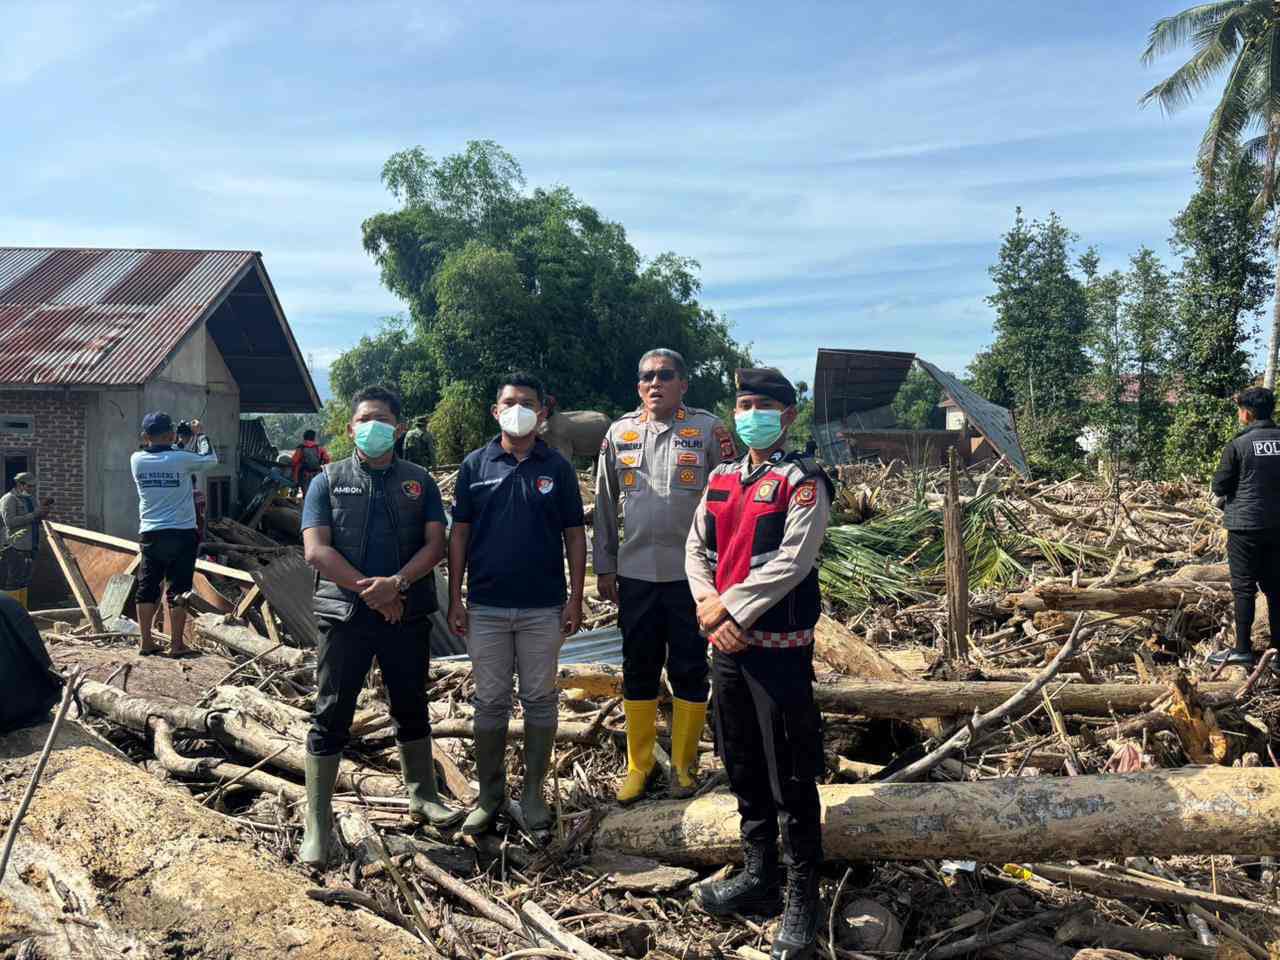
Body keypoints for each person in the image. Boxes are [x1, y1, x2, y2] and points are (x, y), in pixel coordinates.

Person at [685, 367, 833, 960]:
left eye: (762, 406)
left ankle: (802, 894)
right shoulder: (721, 477)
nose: (750, 415)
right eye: (743, 405)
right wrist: (708, 606)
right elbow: (696, 548)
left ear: (787, 416)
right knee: (741, 760)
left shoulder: (803, 480)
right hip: (726, 647)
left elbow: (793, 560)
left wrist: (731, 609)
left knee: (790, 773)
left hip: (779, 652)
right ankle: (758, 873)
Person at [299, 385, 456, 867]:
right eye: (365, 419)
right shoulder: (327, 481)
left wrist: (398, 584)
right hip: (345, 617)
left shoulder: (419, 481)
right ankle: (317, 823)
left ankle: (423, 796)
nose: (373, 427)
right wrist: (373, 591)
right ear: (350, 429)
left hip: (406, 612)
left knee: (411, 703)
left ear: (399, 428)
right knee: (332, 712)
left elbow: (436, 545)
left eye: (383, 419)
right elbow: (316, 550)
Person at [447, 372, 586, 834]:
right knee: (490, 703)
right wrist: (455, 597)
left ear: (542, 413)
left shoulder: (557, 467)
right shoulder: (475, 465)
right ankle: (490, 796)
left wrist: (575, 598)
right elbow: (459, 534)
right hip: (485, 606)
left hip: (543, 608)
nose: (518, 409)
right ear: (496, 411)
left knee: (540, 700)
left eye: (528, 402)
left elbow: (574, 535)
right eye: (510, 402)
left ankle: (533, 794)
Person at [594, 348, 734, 804]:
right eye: (647, 377)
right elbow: (604, 503)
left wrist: (725, 572)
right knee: (638, 668)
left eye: (665, 375)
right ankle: (639, 765)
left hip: (693, 577)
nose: (655, 383)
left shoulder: (710, 431)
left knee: (690, 667)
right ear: (639, 386)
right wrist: (605, 566)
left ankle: (684, 767)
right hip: (635, 574)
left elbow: (729, 504)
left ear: (683, 384)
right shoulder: (619, 433)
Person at [131, 414, 220, 656]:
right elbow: (210, 459)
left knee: (147, 587)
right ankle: (176, 645)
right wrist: (200, 434)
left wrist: (179, 442)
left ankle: (146, 642)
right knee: (179, 588)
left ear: (145, 436)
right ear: (171, 434)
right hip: (182, 533)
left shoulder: (136, 459)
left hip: (151, 533)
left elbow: (166, 456)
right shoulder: (181, 458)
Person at [1208, 386, 1280, 669]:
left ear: (1247, 413)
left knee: (1244, 588)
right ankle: (1277, 653)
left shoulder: (1238, 444)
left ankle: (1242, 650)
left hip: (1245, 526)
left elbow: (1220, 485)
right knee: (1276, 588)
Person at [0, 473, 53, 609]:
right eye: (29, 486)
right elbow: (10, 522)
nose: (31, 489)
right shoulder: (9, 499)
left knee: (25, 581)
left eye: (33, 486)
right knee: (13, 582)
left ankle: (22, 611)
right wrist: (34, 514)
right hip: (15, 546)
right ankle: (12, 612)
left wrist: (43, 511)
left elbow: (35, 519)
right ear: (20, 484)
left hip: (31, 545)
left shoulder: (30, 499)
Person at [175, 421, 211, 544]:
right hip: (194, 533)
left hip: (185, 531)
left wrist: (182, 440)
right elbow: (207, 456)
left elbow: (171, 452)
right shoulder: (198, 495)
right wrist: (200, 434)